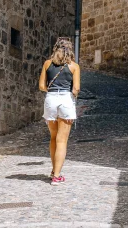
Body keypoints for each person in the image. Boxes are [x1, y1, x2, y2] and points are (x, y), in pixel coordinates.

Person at [38, 37, 80, 185]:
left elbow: (42, 86)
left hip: (50, 99)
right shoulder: (74, 66)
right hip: (65, 100)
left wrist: (53, 90)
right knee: (62, 140)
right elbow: (76, 88)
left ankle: (53, 170)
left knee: (53, 137)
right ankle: (57, 175)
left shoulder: (47, 64)